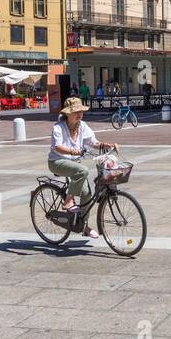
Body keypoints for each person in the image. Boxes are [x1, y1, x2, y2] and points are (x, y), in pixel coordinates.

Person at [47, 97, 117, 236]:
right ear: (68, 113)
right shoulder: (58, 127)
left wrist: (106, 144)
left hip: (73, 163)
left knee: (86, 195)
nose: (79, 114)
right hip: (57, 162)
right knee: (83, 170)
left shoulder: (82, 126)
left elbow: (92, 142)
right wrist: (73, 151)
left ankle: (82, 226)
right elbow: (57, 147)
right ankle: (68, 201)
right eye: (76, 112)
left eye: (81, 112)